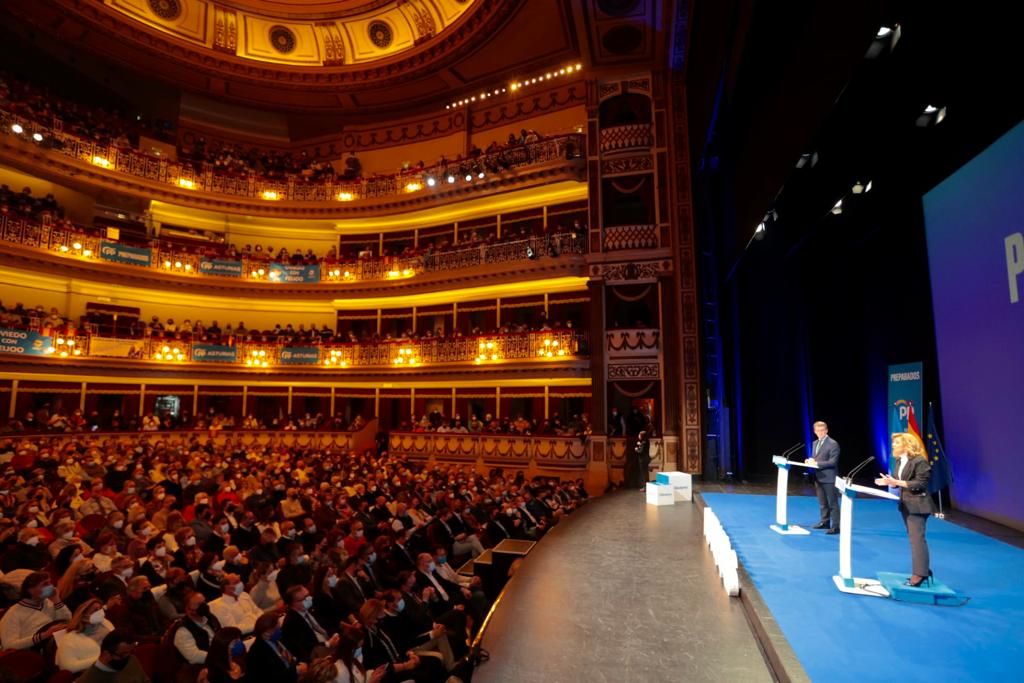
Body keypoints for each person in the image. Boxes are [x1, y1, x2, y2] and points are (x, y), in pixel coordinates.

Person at [875, 432, 937, 587]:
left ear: (906, 445)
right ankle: (924, 570)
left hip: (918, 505)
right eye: (894, 443)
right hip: (906, 504)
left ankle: (920, 574)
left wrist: (897, 481)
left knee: (917, 541)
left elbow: (920, 484)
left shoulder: (919, 461)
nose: (893, 445)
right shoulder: (898, 461)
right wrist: (889, 482)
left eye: (897, 443)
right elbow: (899, 481)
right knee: (914, 539)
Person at [56, 598, 115, 672]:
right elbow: (67, 668)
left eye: (100, 608)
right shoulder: (71, 638)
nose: (100, 612)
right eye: (95, 610)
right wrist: (99, 660)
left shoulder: (106, 623)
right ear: (84, 614)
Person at [77, 629, 151, 683]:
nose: (128, 657)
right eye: (123, 654)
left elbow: (145, 680)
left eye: (130, 652)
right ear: (106, 654)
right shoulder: (89, 679)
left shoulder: (132, 660)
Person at [806, 420, 840, 534]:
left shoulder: (833, 443)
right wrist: (810, 461)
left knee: (832, 503)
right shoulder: (815, 443)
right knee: (822, 502)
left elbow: (833, 462)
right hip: (818, 476)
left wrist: (817, 464)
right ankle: (825, 522)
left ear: (826, 430)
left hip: (829, 478)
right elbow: (816, 458)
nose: (820, 433)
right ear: (815, 431)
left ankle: (836, 526)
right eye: (817, 431)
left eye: (822, 430)